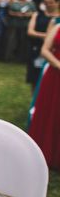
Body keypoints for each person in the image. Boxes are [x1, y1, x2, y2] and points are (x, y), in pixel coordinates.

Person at [28, 23, 60, 169]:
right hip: (55, 75)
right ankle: (47, 152)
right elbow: (45, 50)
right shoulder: (57, 26)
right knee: (51, 112)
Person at [26, 0, 60, 88]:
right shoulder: (37, 15)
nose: (48, 5)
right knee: (35, 78)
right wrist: (45, 36)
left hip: (54, 51)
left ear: (57, 2)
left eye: (51, 2)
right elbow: (30, 31)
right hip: (36, 49)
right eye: (46, 3)